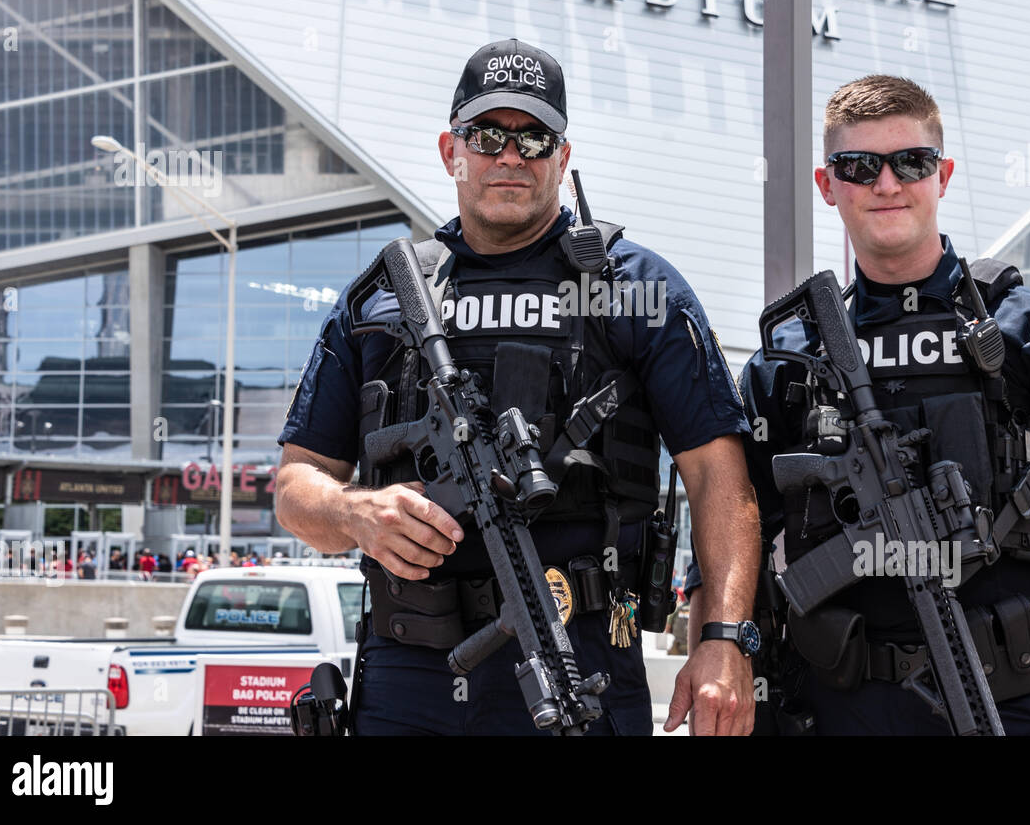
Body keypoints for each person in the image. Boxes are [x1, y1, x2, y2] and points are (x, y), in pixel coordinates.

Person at [275, 38, 761, 736]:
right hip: (409, 673)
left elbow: (721, 476)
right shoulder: (379, 300)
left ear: (563, 158)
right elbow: (297, 483)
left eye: (534, 138)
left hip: (580, 652)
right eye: (488, 134)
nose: (510, 155)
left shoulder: (637, 290)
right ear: (453, 150)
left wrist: (723, 636)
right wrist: (358, 514)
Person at [721, 75, 1030, 736]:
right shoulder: (791, 355)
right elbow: (730, 521)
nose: (887, 183)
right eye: (859, 166)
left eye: (911, 162)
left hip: (1003, 706)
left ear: (944, 174)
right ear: (827, 184)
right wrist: (725, 650)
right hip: (830, 709)